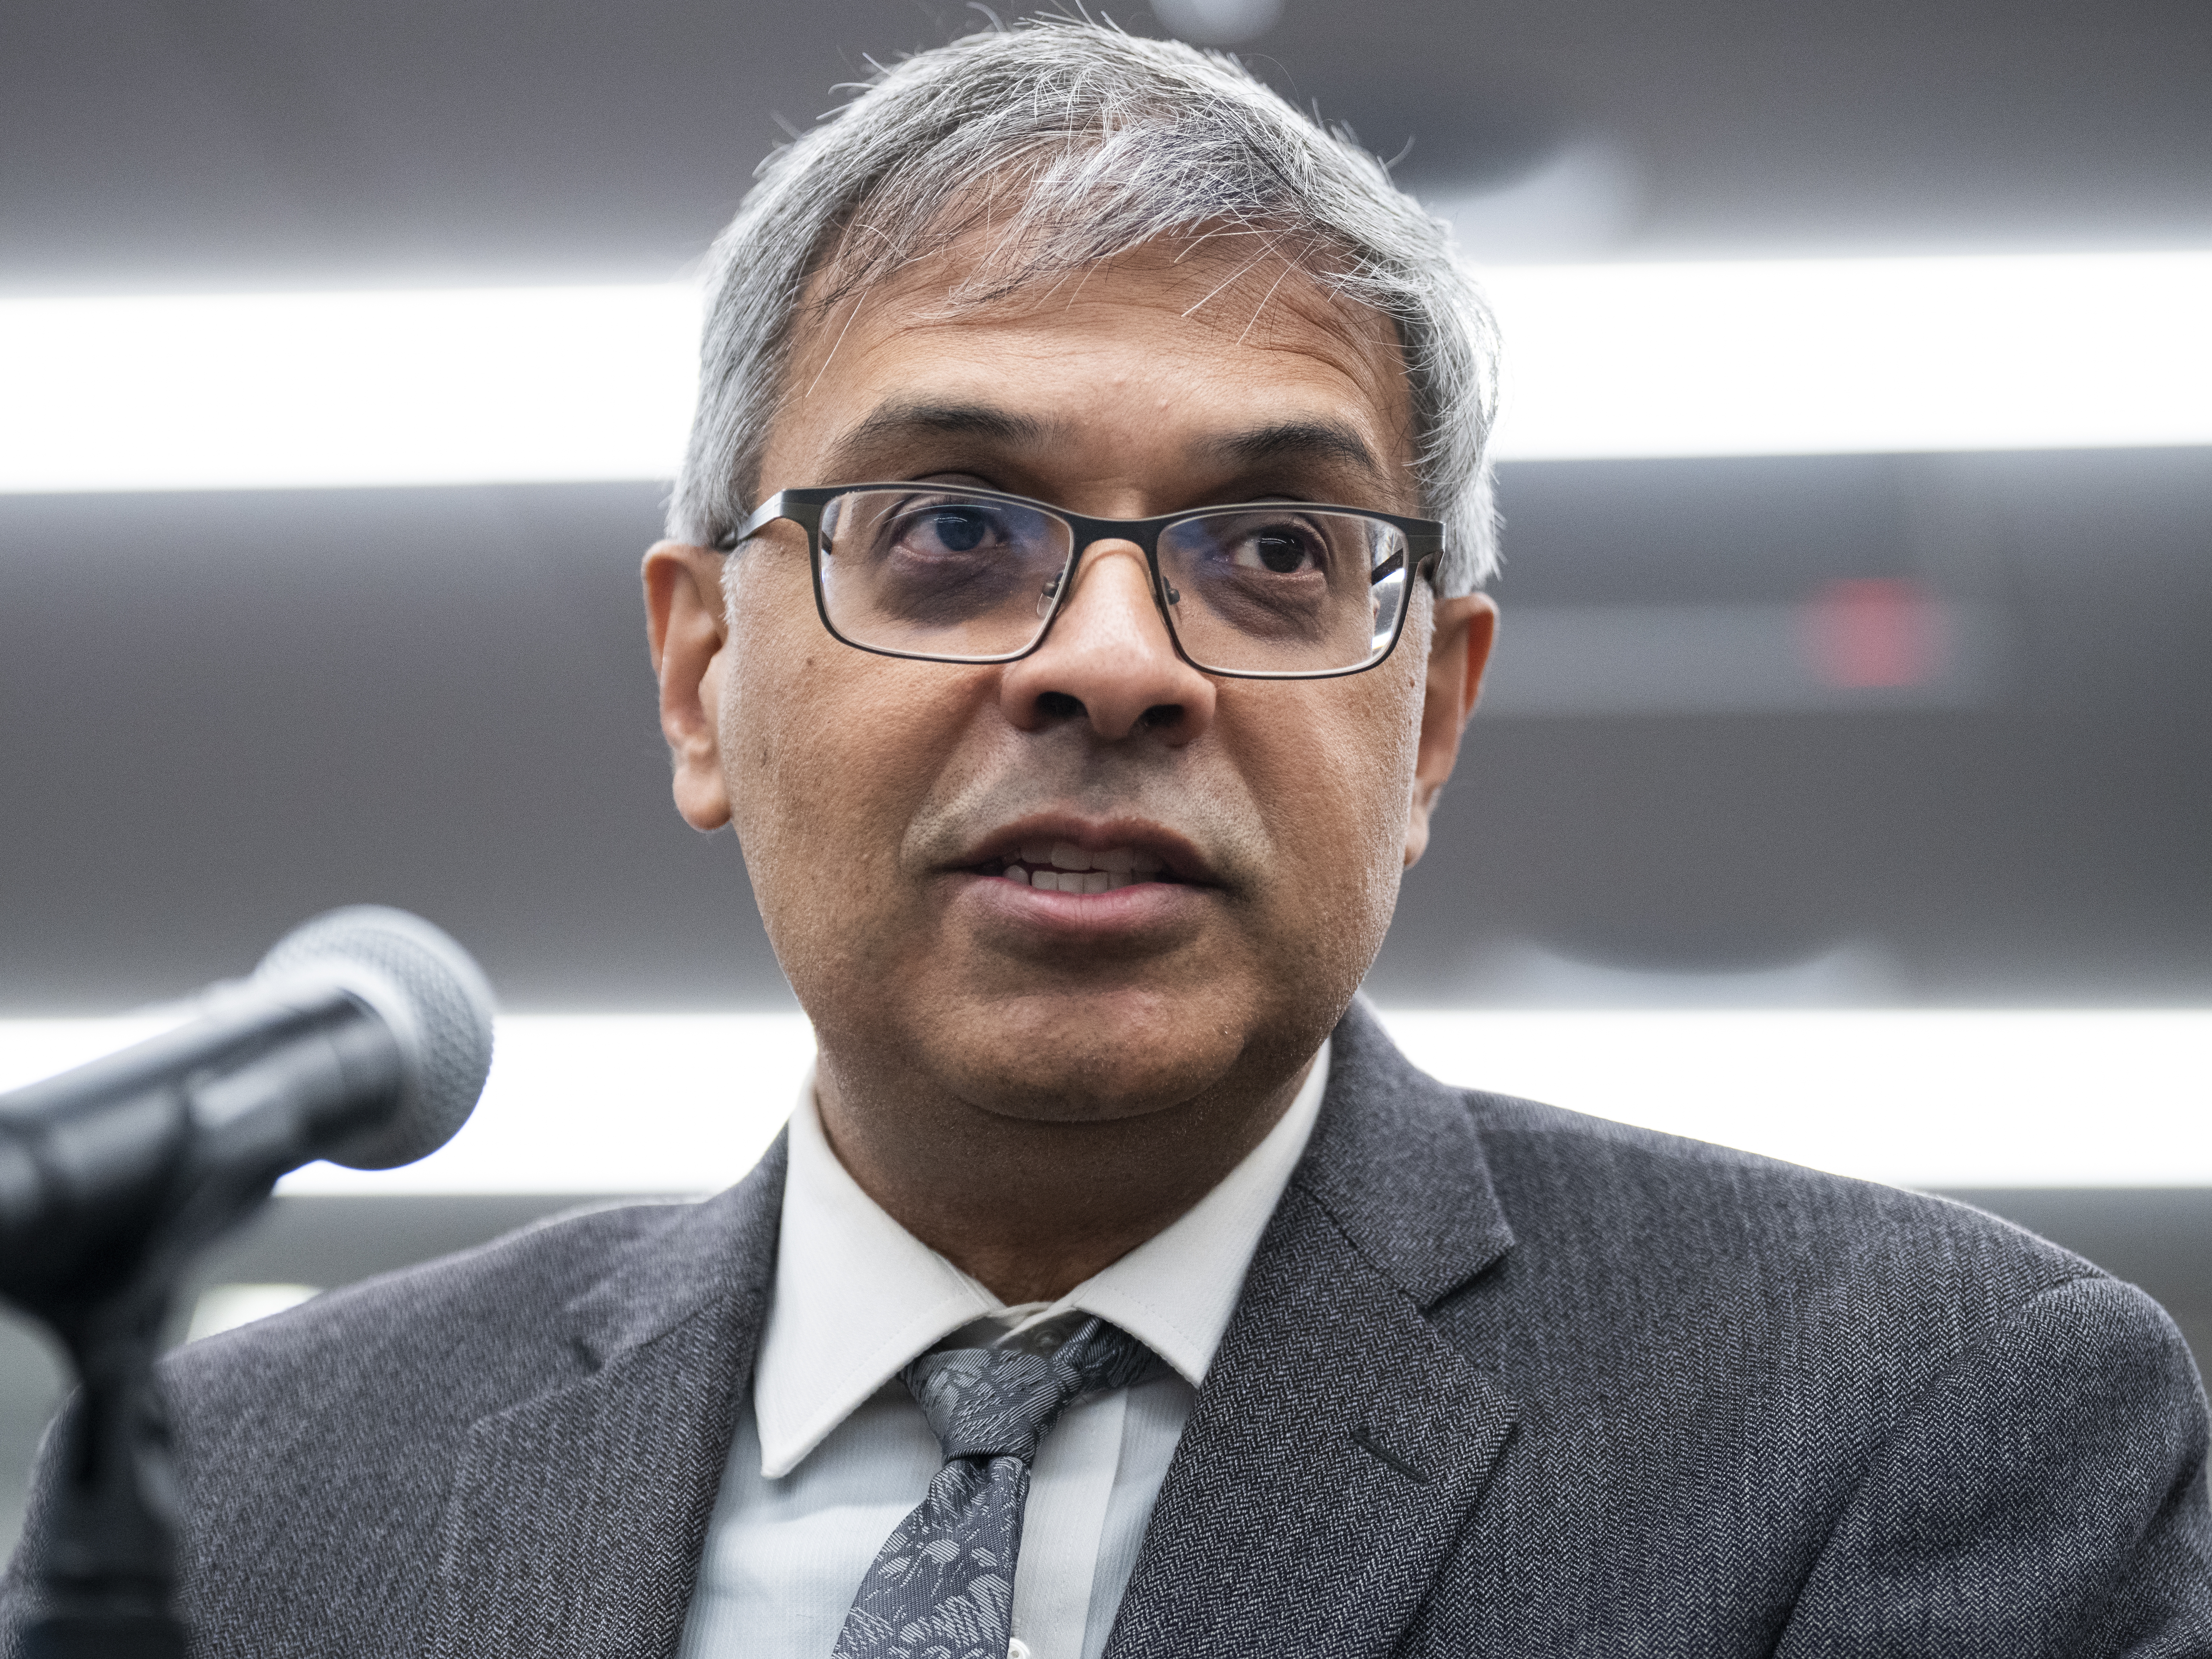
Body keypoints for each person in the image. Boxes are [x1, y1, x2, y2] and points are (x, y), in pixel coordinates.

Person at [10, 21, 2210, 1659]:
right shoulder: (249, 1498)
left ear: (1429, 715)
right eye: (954, 534)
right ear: (700, 678)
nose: (1114, 665)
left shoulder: (1915, 1420)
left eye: (1270, 550)